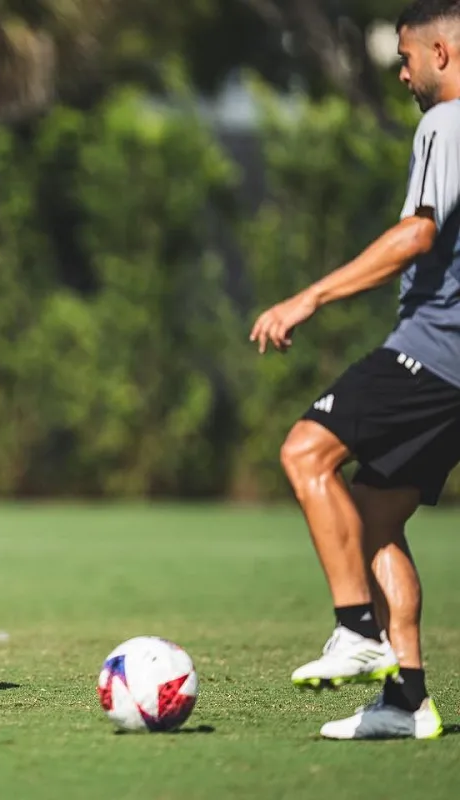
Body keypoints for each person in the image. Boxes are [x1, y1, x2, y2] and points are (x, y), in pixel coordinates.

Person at [250, 0, 460, 740]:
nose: (401, 73)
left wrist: (309, 295)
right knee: (373, 517)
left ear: (441, 51)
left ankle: (356, 630)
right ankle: (406, 702)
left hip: (434, 351)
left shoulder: (447, 122)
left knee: (304, 451)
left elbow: (417, 231)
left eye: (406, 58)